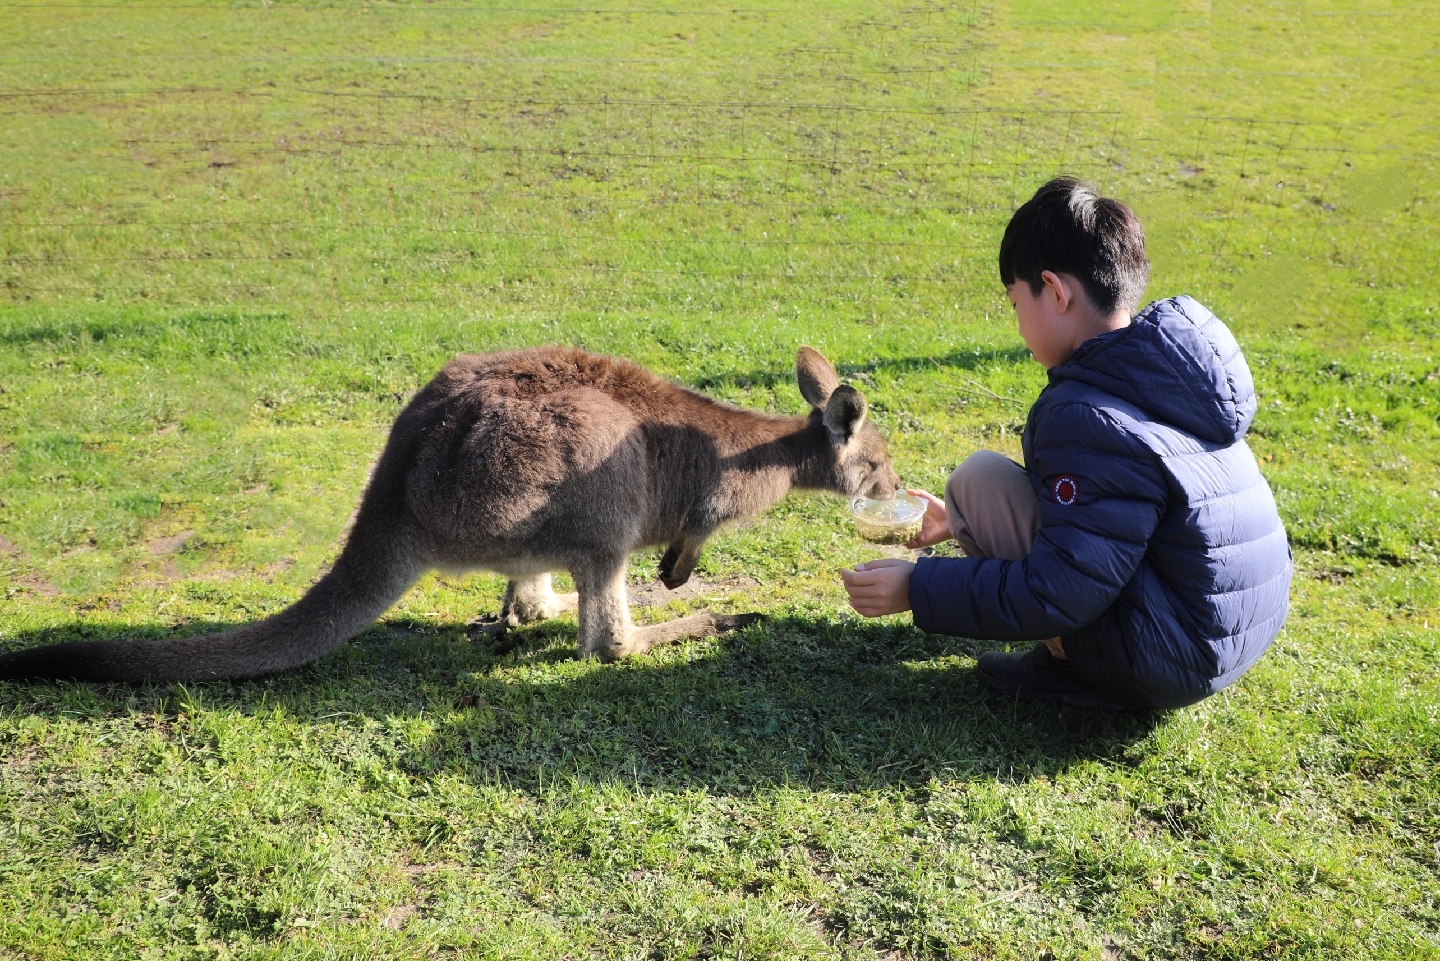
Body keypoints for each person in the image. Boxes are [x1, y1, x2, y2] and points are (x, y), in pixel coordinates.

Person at [839, 177, 1291, 712]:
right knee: (979, 481)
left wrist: (918, 588)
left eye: (1015, 303)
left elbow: (1060, 590)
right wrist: (961, 521)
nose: (1018, 326)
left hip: (1168, 658)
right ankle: (1078, 656)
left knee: (1046, 568)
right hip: (1237, 628)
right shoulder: (1166, 369)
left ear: (1055, 291)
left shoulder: (1084, 415)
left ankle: (1073, 671)